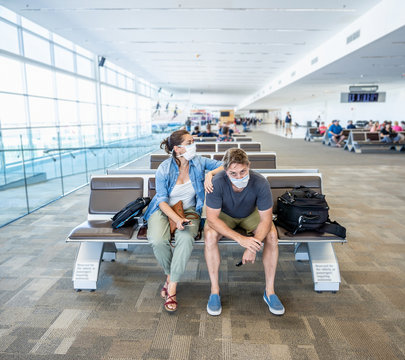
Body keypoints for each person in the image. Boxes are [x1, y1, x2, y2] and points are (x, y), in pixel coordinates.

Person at [143, 130, 223, 312]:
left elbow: (226, 165)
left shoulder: (199, 162)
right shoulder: (164, 168)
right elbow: (162, 200)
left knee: (185, 238)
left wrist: (210, 174)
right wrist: (177, 219)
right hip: (163, 210)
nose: (194, 145)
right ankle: (170, 275)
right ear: (178, 148)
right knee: (157, 240)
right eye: (190, 142)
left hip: (189, 210)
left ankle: (172, 286)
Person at [204, 148, 284, 317]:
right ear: (225, 171)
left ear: (249, 166)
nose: (239, 177)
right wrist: (241, 239)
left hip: (249, 214)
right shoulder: (217, 182)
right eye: (233, 173)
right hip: (224, 216)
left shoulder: (260, 182)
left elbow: (266, 220)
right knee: (210, 235)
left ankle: (269, 292)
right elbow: (211, 219)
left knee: (271, 235)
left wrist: (252, 246)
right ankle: (214, 291)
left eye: (243, 171)